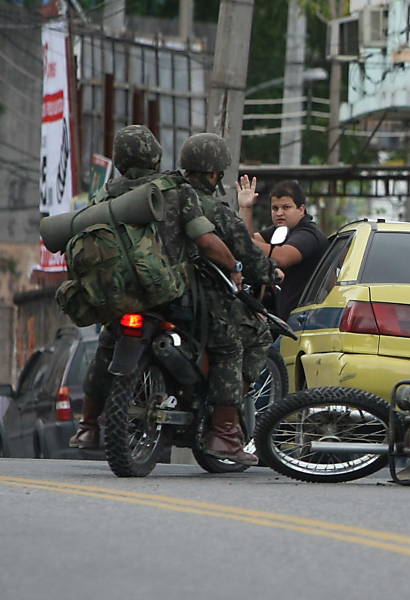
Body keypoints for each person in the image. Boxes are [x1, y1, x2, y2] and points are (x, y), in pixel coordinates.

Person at [68, 125, 241, 451]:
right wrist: (234, 267)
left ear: (118, 160)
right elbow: (206, 240)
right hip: (171, 298)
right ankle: (225, 433)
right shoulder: (176, 191)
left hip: (121, 298)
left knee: (106, 346)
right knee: (227, 344)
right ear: (155, 156)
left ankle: (88, 427)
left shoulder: (104, 194)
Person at [178, 133, 277, 465]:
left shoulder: (158, 199)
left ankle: (90, 422)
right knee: (234, 346)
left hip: (155, 295)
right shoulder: (214, 212)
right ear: (212, 174)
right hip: (198, 302)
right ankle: (225, 432)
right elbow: (249, 254)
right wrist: (271, 272)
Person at [237, 176, 325, 319]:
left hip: (308, 321)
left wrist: (240, 239)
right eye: (275, 208)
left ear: (301, 209)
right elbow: (250, 243)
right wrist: (245, 208)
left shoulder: (309, 234)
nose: (279, 213)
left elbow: (282, 257)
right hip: (288, 320)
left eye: (286, 207)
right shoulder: (281, 230)